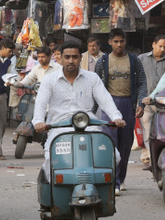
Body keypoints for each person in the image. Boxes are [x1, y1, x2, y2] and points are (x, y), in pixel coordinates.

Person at [34, 41, 125, 178]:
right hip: (59, 128)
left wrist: (116, 118)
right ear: (60, 58)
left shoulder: (92, 78)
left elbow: (105, 100)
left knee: (114, 156)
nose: (71, 61)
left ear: (80, 58)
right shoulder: (49, 80)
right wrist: (39, 121)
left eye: (75, 57)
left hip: (89, 127)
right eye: (67, 57)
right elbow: (40, 103)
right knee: (50, 161)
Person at [92, 28, 145, 193]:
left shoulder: (134, 61)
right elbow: (96, 85)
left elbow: (142, 83)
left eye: (122, 41)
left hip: (128, 104)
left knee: (125, 145)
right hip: (109, 105)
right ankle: (112, 181)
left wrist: (141, 104)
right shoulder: (103, 61)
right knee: (110, 144)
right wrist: (91, 111)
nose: (119, 44)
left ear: (125, 42)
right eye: (116, 41)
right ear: (110, 42)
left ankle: (120, 179)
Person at [137, 35, 165, 170]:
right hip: (145, 102)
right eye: (160, 46)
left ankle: (158, 158)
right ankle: (152, 159)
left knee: (161, 132)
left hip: (162, 104)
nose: (162, 49)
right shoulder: (142, 59)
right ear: (153, 44)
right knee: (147, 132)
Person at [14, 46, 60, 125]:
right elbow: (29, 78)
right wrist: (22, 83)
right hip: (40, 98)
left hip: (54, 100)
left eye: (43, 57)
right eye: (39, 57)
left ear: (49, 56)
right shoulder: (36, 68)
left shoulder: (58, 68)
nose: (40, 59)